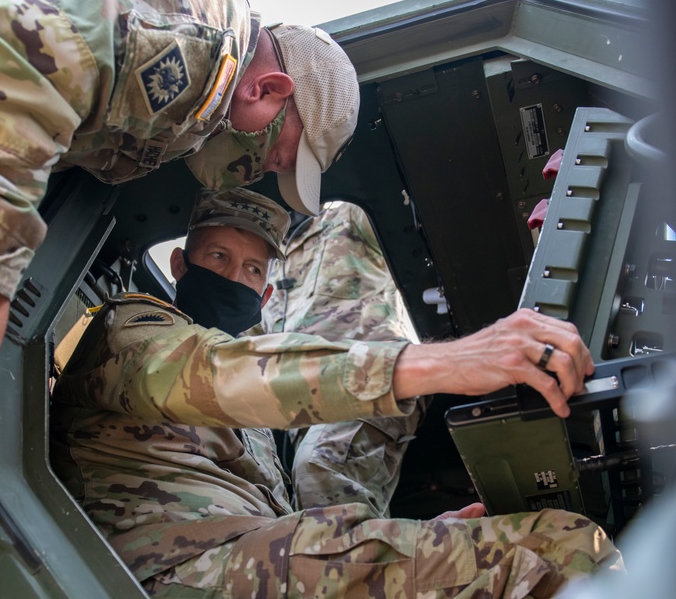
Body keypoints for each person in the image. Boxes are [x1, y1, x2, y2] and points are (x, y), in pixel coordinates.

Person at [49, 187, 622, 597]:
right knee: (564, 550)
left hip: (234, 560)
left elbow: (275, 519)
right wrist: (440, 363)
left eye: (252, 270)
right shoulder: (130, 328)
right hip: (169, 573)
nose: (235, 277)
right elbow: (223, 373)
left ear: (266, 287)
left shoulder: (252, 431)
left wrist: (419, 534)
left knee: (537, 546)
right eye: (218, 257)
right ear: (181, 263)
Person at [0, 0, 359, 427]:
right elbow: (11, 73)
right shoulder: (198, 36)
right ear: (267, 88)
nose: (257, 170)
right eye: (275, 155)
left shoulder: (197, 98)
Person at [260, 201, 420, 516]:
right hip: (302, 410)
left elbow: (402, 209)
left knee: (320, 473)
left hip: (369, 379)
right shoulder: (266, 262)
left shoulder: (349, 216)